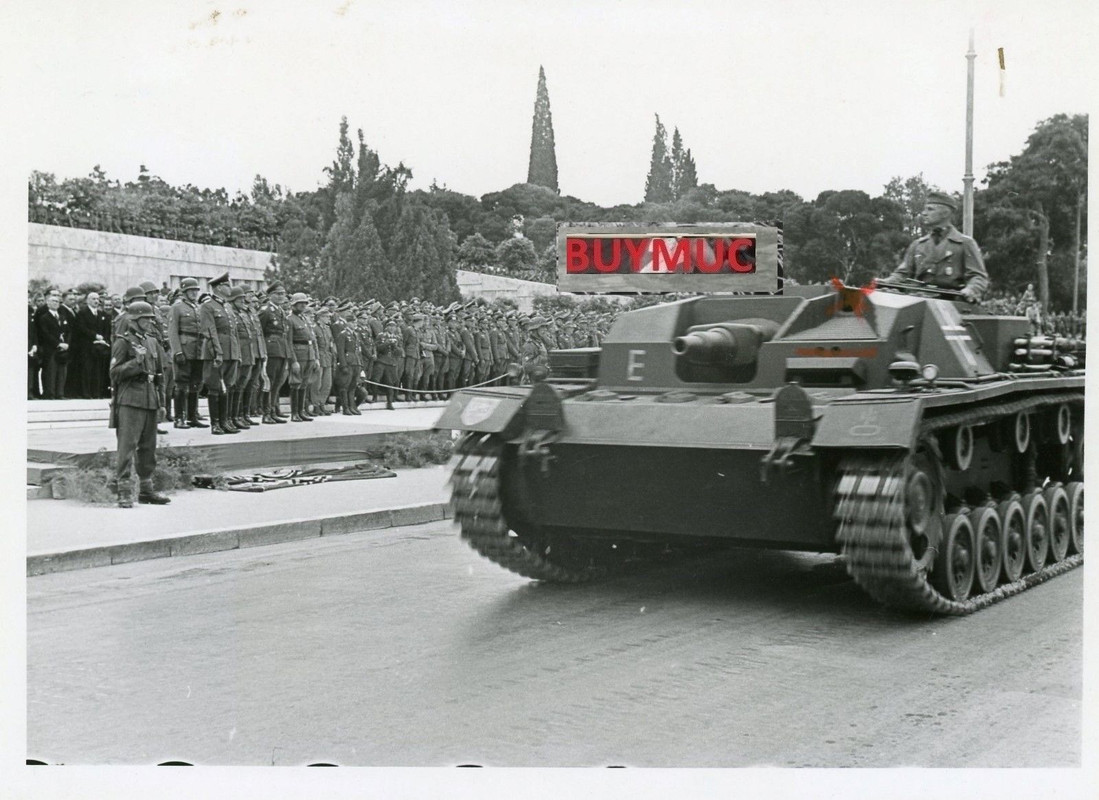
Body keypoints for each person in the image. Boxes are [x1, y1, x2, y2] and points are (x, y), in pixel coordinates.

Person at [108, 301, 170, 508]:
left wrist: (161, 403)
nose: (149, 322)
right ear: (134, 320)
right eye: (145, 319)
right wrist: (136, 362)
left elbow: (159, 374)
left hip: (150, 398)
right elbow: (114, 373)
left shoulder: (152, 342)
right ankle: (123, 490)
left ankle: (146, 489)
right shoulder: (123, 342)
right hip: (130, 399)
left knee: (148, 447)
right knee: (127, 446)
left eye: (151, 318)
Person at [885, 191, 989, 303]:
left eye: (930, 209)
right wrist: (888, 282)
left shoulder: (965, 243)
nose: (924, 213)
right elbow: (902, 273)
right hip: (917, 303)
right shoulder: (918, 245)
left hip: (952, 305)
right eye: (925, 209)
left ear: (945, 213)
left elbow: (978, 277)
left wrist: (971, 289)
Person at [198, 272, 241, 435]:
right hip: (216, 351)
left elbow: (233, 331)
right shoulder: (208, 306)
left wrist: (236, 353)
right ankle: (215, 423)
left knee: (228, 386)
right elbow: (210, 331)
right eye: (227, 285)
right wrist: (217, 352)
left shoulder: (227, 306)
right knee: (215, 387)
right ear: (219, 288)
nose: (229, 288)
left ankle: (225, 421)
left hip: (230, 350)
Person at [168, 277, 208, 429]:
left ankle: (192, 416)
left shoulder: (198, 307)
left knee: (195, 384)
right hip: (184, 348)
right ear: (184, 292)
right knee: (181, 384)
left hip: (198, 350)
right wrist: (177, 351)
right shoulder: (177, 307)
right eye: (191, 290)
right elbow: (172, 332)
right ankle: (179, 418)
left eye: (196, 290)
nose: (194, 293)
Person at [34, 289, 72, 399]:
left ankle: (60, 393)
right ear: (48, 303)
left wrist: (67, 343)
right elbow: (45, 333)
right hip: (51, 348)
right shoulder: (44, 317)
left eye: (58, 301)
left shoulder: (62, 317)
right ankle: (50, 394)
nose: (56, 303)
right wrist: (58, 343)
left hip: (63, 348)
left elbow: (68, 331)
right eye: (53, 301)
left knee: (62, 372)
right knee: (51, 371)